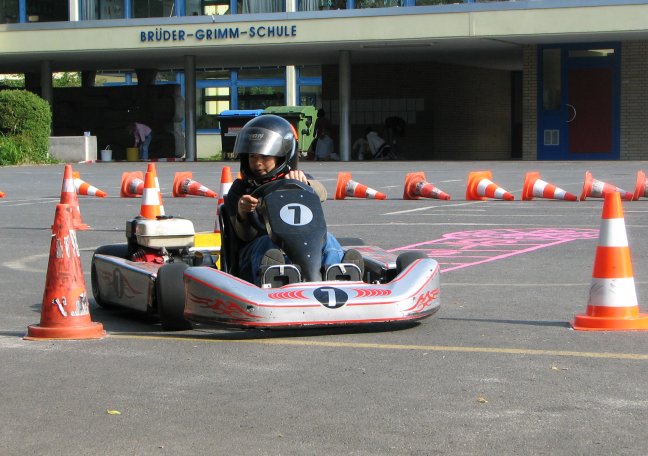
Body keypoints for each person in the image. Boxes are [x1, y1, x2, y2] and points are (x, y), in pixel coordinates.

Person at [224, 114, 362, 285]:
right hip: (253, 255)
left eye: (265, 157)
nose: (257, 163)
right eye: (253, 157)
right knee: (267, 243)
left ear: (282, 157)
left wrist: (305, 183)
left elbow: (322, 193)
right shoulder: (241, 189)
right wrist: (242, 212)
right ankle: (273, 278)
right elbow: (243, 236)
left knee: (328, 239)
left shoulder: (297, 180)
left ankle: (339, 275)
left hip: (300, 247)